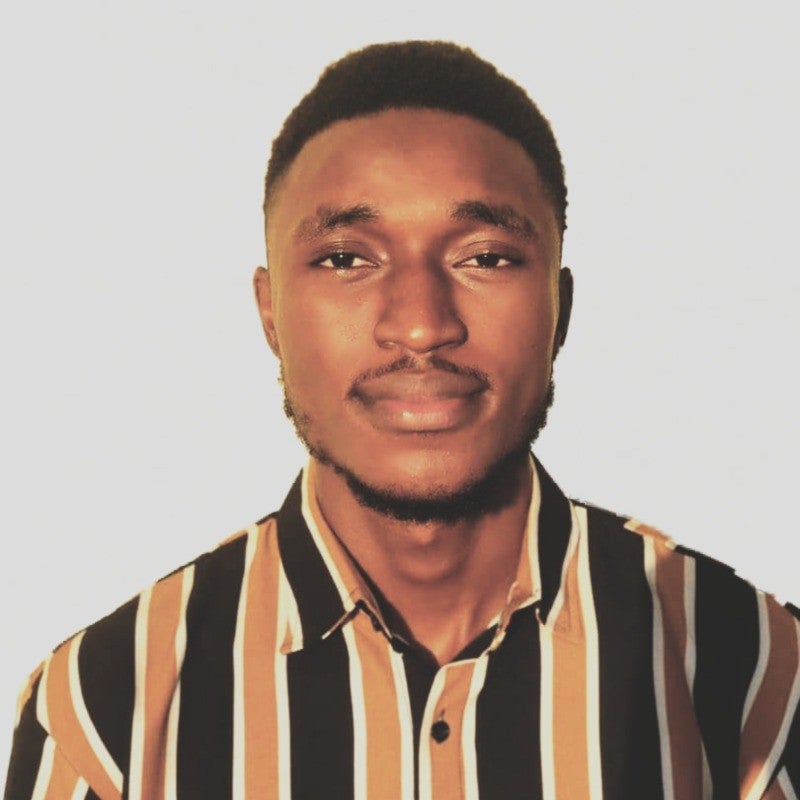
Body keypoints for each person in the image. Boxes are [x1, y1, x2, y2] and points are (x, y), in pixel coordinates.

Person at [4, 40, 799, 800]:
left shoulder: (757, 669)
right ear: (270, 313)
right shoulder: (102, 713)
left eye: (484, 256)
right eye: (347, 258)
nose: (420, 325)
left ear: (560, 308)